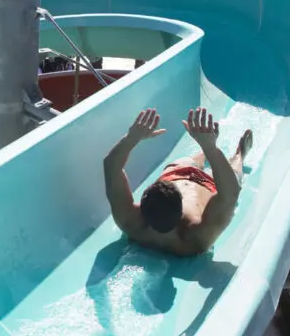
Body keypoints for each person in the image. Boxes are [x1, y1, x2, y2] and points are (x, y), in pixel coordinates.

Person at [103, 107, 253, 256]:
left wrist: (131, 138)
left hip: (176, 172)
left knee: (189, 162)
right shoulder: (197, 237)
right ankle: (239, 154)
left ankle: (205, 150)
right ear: (181, 210)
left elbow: (111, 166)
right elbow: (230, 192)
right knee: (234, 174)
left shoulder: (130, 221)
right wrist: (210, 147)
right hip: (208, 184)